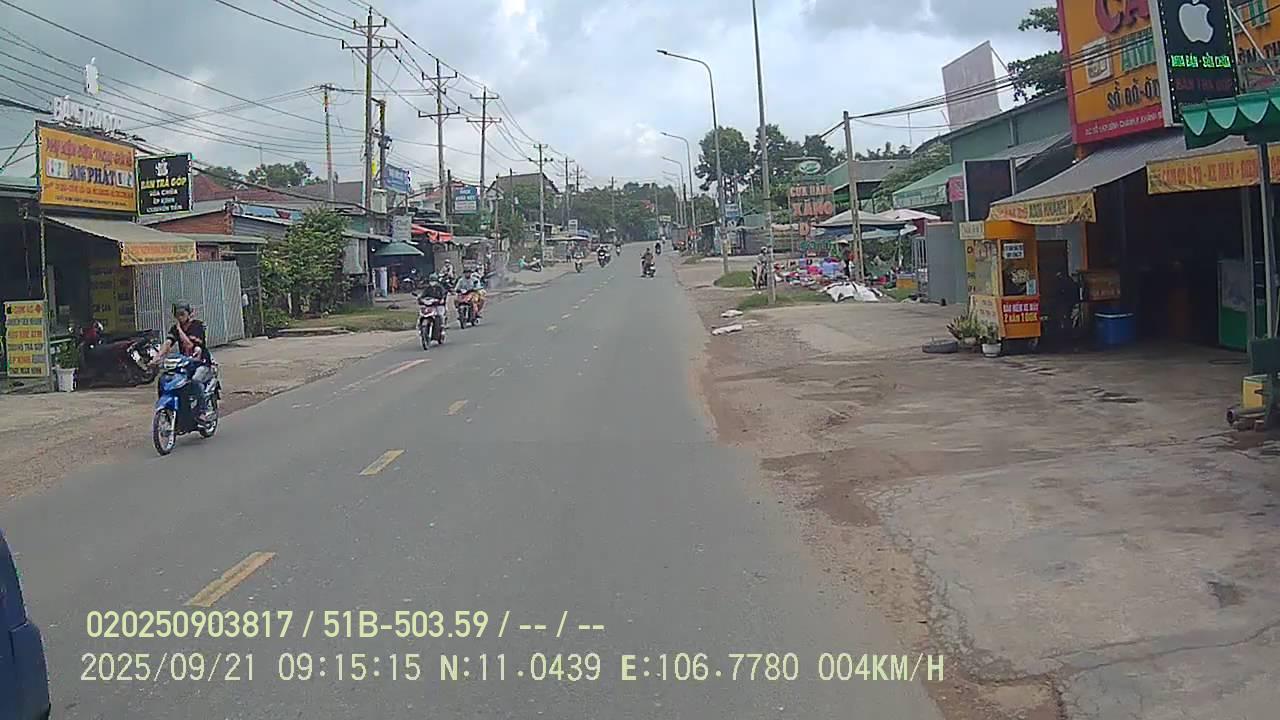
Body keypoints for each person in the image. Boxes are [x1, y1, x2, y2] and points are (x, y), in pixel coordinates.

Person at [151, 301, 214, 421]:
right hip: (185, 364)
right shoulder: (174, 329)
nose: (180, 317)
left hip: (201, 363)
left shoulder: (198, 326)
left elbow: (190, 345)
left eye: (182, 314)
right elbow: (168, 343)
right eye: (177, 315)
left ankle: (202, 411)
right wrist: (157, 358)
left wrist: (179, 329)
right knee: (165, 379)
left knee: (195, 380)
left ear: (189, 314)